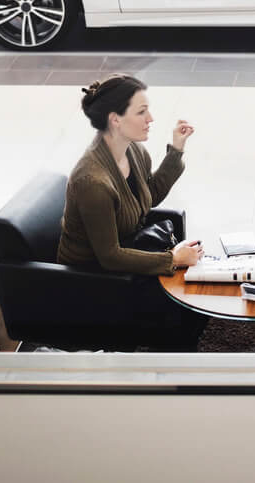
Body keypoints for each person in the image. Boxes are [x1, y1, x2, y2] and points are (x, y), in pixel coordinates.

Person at [58, 74, 208, 345]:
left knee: (194, 296)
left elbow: (148, 198)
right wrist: (172, 259)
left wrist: (176, 150)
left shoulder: (133, 152)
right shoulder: (93, 182)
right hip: (95, 280)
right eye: (141, 112)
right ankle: (169, 375)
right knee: (183, 309)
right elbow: (110, 257)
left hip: (130, 252)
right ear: (115, 119)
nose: (151, 118)